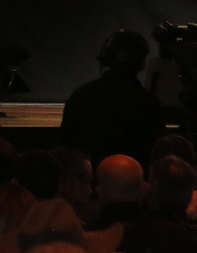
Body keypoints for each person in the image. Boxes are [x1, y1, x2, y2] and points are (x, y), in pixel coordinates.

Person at [60, 29, 165, 167]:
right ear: (142, 63)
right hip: (133, 182)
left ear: (106, 58)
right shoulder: (149, 103)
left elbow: (66, 144)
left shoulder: (81, 96)